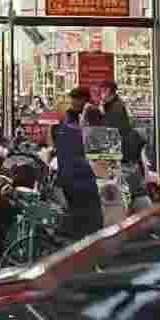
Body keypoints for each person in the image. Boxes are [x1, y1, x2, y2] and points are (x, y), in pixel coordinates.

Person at [54, 90, 104, 241]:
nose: (73, 103)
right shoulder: (69, 126)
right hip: (80, 185)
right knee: (87, 226)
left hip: (81, 184)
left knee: (84, 227)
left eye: (76, 99)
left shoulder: (73, 130)